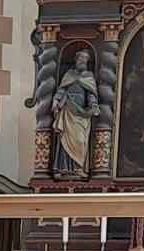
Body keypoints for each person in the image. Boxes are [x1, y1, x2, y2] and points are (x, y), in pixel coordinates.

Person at [50, 47, 98, 176]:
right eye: (82, 58)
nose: (84, 61)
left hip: (81, 113)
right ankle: (62, 169)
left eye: (86, 59)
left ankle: (78, 168)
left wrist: (93, 104)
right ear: (76, 59)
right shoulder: (69, 75)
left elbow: (91, 93)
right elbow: (62, 90)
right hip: (67, 109)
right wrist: (55, 101)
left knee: (80, 140)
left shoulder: (89, 76)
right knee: (65, 139)